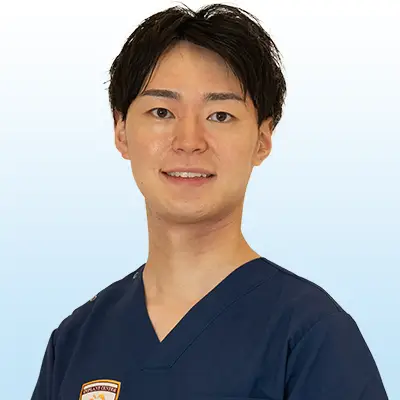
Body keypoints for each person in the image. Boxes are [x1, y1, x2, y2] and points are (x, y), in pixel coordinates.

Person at [31, 4, 388, 400]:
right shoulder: (76, 341)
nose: (189, 141)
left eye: (220, 115)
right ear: (121, 130)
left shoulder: (310, 335)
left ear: (263, 138)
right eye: (162, 111)